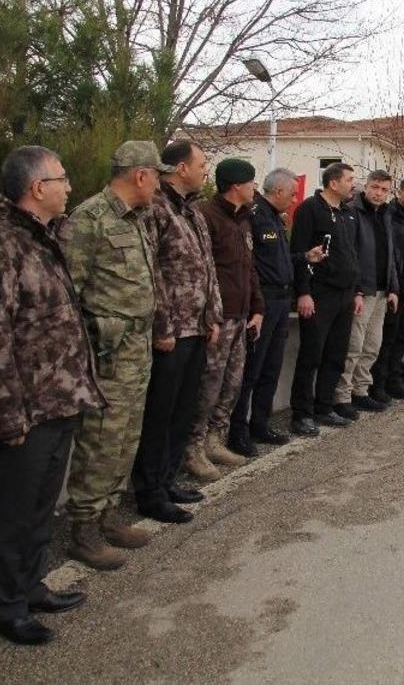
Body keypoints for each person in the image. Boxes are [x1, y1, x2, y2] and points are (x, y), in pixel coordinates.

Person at [0, 145, 103, 646]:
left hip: (59, 398)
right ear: (37, 188)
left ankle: (30, 583)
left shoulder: (42, 238)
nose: (69, 187)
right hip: (24, 408)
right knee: (12, 510)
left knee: (40, 505)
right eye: (62, 179)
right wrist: (5, 414)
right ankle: (6, 606)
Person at [62, 140, 168, 571]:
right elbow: (69, 291)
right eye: (157, 176)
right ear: (140, 175)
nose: (159, 184)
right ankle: (83, 531)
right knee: (101, 438)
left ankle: (108, 516)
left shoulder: (139, 219)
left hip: (137, 346)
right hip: (109, 351)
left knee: (126, 435)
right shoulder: (91, 218)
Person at [134, 140, 223, 524]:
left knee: (181, 411)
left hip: (197, 329)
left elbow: (207, 268)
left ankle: (167, 481)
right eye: (202, 163)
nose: (206, 169)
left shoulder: (191, 211)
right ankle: (150, 492)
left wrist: (213, 316)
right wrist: (163, 326)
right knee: (160, 413)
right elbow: (150, 273)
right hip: (171, 333)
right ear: (180, 167)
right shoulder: (156, 208)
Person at [228, 168, 318, 450]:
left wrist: (303, 257)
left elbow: (278, 260)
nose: (294, 199)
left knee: (271, 367)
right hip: (263, 301)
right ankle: (238, 431)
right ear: (277, 191)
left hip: (281, 300)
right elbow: (252, 264)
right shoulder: (254, 216)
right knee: (252, 370)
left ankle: (261, 424)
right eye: (292, 194)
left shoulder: (276, 220)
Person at [187, 158, 265, 475]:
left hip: (242, 316)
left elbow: (249, 268)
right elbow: (201, 272)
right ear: (236, 186)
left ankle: (215, 440)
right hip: (217, 319)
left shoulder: (244, 219)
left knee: (231, 384)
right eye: (251, 182)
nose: (254, 188)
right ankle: (192, 448)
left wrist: (258, 308)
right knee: (207, 386)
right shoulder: (206, 216)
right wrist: (210, 316)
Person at [289, 162, 362, 434]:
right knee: (312, 355)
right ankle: (302, 414)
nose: (353, 184)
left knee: (336, 354)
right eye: (349, 179)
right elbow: (299, 252)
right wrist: (304, 292)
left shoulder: (347, 213)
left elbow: (353, 254)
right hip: (320, 293)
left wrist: (356, 291)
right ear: (333, 183)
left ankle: (324, 407)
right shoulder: (310, 209)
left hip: (344, 294)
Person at [333, 170, 398, 418]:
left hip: (382, 291)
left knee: (372, 346)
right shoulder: (352, 212)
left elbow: (390, 254)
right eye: (375, 188)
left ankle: (361, 391)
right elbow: (350, 255)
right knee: (354, 346)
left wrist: (393, 287)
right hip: (362, 291)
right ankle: (342, 396)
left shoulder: (386, 215)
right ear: (366, 187)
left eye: (384, 189)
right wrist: (357, 290)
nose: (379, 193)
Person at [371, 176, 404, 399]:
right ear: (400, 193)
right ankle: (378, 384)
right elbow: (392, 257)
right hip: (395, 289)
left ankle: (394, 380)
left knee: (402, 338)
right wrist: (395, 286)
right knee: (387, 338)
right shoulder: (390, 217)